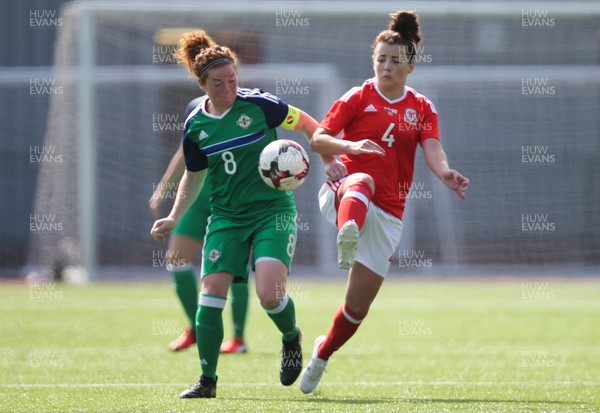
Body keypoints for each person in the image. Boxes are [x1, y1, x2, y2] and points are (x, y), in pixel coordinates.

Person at [150, 30, 343, 399]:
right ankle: (207, 380)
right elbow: (193, 175)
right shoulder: (196, 126)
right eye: (219, 84)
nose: (228, 89)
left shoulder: (260, 105)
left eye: (233, 80)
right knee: (211, 293)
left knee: (269, 294)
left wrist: (329, 158)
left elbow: (308, 125)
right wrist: (175, 216)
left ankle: (290, 337)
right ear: (202, 85)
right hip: (226, 216)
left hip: (272, 211)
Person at [300, 10, 470, 393]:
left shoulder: (422, 107)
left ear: (410, 65)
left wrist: (444, 173)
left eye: (395, 61)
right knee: (360, 179)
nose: (386, 66)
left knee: (356, 310)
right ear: (372, 61)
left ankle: (321, 355)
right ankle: (348, 231)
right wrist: (350, 146)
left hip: (390, 214)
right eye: (381, 59)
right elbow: (319, 139)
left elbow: (433, 147)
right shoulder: (358, 96)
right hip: (344, 192)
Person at [149, 100, 249, 354]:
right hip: (197, 199)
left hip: (231, 199)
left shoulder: (251, 107)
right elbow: (184, 153)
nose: (225, 86)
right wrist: (163, 188)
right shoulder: (194, 108)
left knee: (235, 268)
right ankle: (197, 328)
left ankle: (238, 338)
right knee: (176, 259)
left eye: (230, 77)